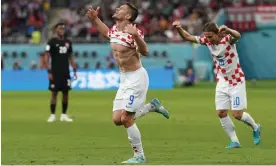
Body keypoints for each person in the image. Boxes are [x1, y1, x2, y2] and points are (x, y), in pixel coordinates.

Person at [87, 3, 170, 163]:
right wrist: (95, 19)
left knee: (126, 119)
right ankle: (151, 106)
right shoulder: (115, 31)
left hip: (137, 78)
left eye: (121, 8)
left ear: (128, 16)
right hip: (124, 79)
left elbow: (145, 52)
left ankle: (139, 155)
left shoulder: (134, 32)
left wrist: (137, 37)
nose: (117, 9)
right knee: (117, 120)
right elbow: (107, 34)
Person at [173, 21, 261, 148]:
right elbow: (188, 37)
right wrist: (179, 28)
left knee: (237, 115)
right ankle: (234, 140)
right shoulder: (207, 41)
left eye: (210, 36)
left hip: (236, 81)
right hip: (222, 81)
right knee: (221, 112)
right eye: (206, 36)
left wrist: (229, 30)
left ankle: (255, 127)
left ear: (217, 34)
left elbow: (238, 36)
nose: (208, 39)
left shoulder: (227, 40)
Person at [45, 22, 77, 122]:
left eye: (63, 28)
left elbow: (70, 57)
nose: (62, 30)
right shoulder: (51, 42)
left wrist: (74, 69)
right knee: (54, 93)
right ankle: (52, 115)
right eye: (60, 28)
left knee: (66, 93)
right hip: (55, 72)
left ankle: (64, 114)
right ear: (56, 30)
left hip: (65, 72)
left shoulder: (68, 42)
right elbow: (47, 56)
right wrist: (49, 71)